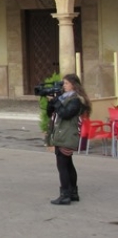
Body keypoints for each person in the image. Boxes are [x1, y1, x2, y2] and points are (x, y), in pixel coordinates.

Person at [47, 73, 90, 205]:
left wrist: (57, 102)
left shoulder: (76, 100)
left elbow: (65, 114)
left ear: (73, 85)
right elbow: (51, 113)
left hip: (67, 135)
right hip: (62, 134)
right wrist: (52, 102)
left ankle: (65, 195)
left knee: (63, 166)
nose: (63, 86)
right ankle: (73, 193)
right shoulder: (64, 98)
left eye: (66, 83)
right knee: (68, 164)